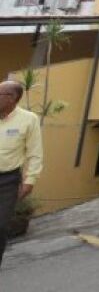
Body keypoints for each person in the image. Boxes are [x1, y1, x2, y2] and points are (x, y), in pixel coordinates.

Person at [0, 80, 43, 267]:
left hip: (7, 181)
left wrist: (30, 180)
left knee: (0, 226)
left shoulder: (29, 119)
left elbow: (35, 152)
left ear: (12, 98)